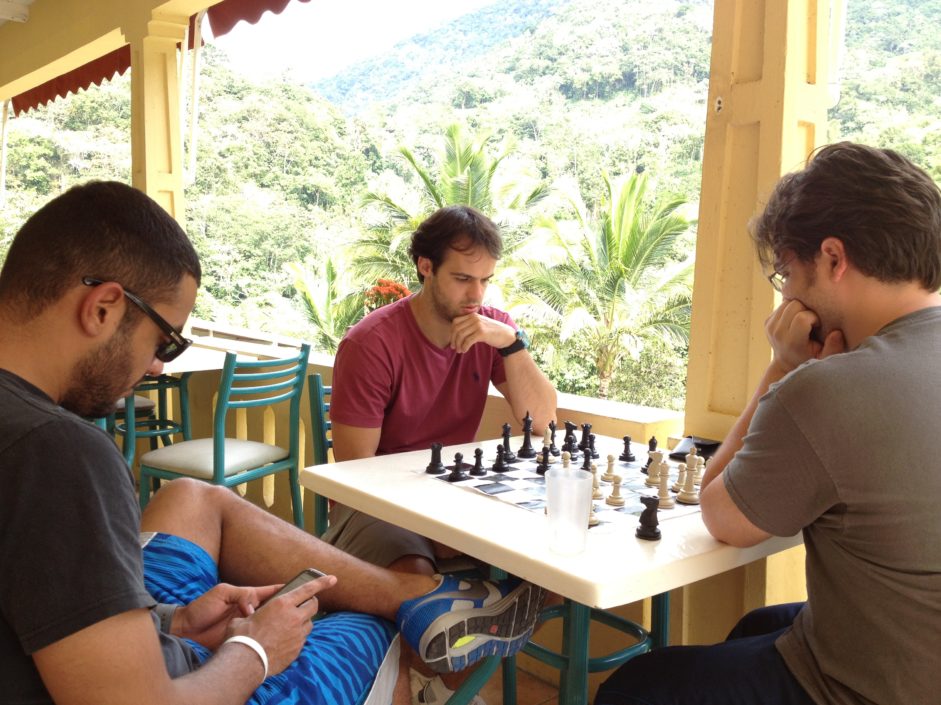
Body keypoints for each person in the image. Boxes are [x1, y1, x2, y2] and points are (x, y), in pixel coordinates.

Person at [0, 182, 546, 705]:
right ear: (102, 308)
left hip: (133, 645)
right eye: (165, 341)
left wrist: (174, 620)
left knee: (192, 494)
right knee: (373, 626)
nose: (158, 367)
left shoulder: (36, 439)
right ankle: (414, 611)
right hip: (197, 684)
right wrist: (256, 648)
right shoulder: (58, 453)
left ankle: (415, 598)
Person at [596, 142, 941, 705]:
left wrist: (783, 366)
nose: (786, 297)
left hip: (869, 689)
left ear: (833, 258)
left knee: (635, 688)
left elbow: (720, 515)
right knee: (758, 626)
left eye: (787, 273)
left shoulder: (830, 387)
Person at [325, 204, 557, 704]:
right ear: (425, 267)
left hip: (454, 498)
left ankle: (441, 684)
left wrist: (511, 344)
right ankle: (426, 680)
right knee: (413, 576)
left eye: (485, 281)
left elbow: (542, 422)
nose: (476, 296)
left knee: (553, 569)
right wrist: (436, 527)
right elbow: (356, 475)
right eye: (462, 279)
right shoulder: (371, 344)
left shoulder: (490, 329)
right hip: (376, 508)